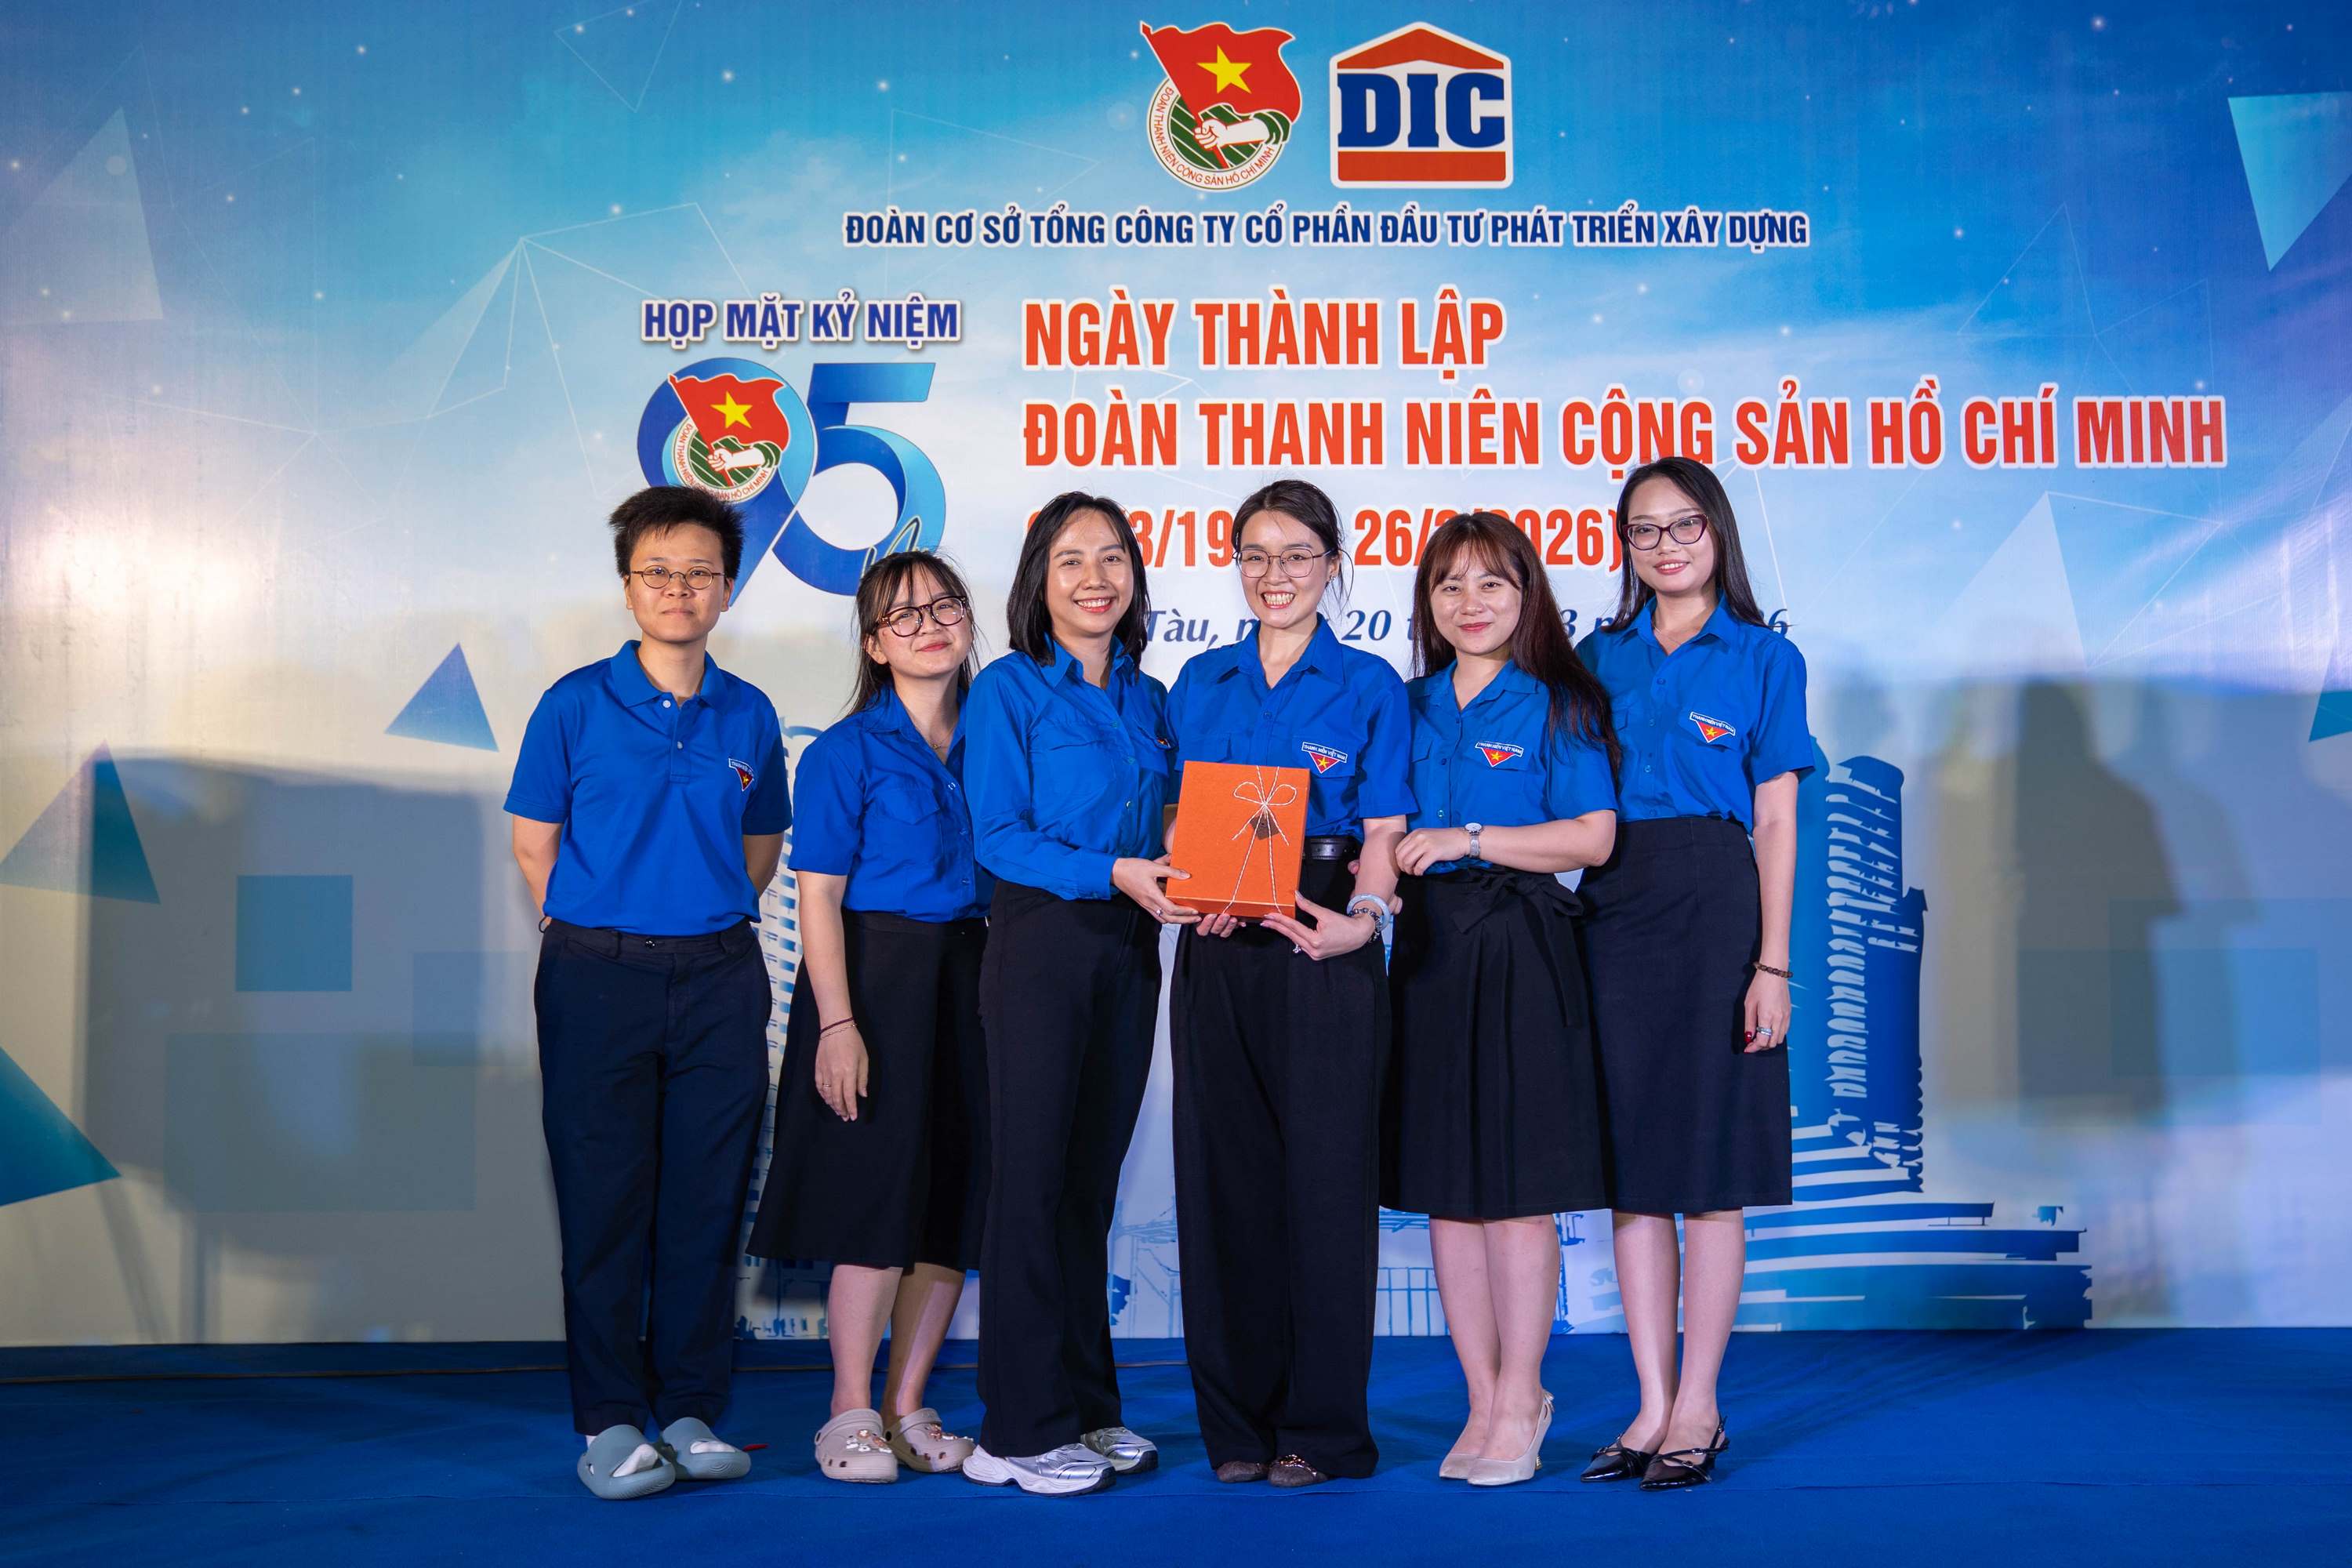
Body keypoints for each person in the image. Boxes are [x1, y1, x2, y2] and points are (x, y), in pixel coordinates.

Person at [505, 485, 790, 1501]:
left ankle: (690, 1410)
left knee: (706, 1204)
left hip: (719, 976)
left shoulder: (750, 711)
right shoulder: (574, 704)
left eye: (699, 572)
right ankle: (611, 1419)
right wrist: (608, 926)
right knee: (604, 1203)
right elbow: (535, 846)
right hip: (597, 976)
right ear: (628, 587)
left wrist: (692, 917)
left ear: (727, 589)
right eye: (658, 572)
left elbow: (759, 848)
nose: (679, 589)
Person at [1162, 478, 1412, 1489]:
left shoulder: (1369, 683)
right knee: (1223, 1180)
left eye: (1299, 554)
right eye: (1257, 555)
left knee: (1326, 1185)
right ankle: (1236, 1425)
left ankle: (1323, 1430)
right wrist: (1197, 884)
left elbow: (1385, 829)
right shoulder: (1199, 679)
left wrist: (1365, 920)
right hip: (1219, 935)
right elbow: (1178, 815)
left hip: (1324, 931)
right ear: (1236, 565)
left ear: (1332, 565)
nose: (1277, 574)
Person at [1573, 456, 1810, 1490]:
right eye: (1644, 529)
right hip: (1612, 910)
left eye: (1684, 525)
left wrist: (1773, 963)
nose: (1664, 545)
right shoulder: (1597, 656)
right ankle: (1651, 1401)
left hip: (1719, 910)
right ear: (1624, 545)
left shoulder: (1764, 656)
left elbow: (1776, 819)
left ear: (1718, 532)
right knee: (1634, 1173)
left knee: (1710, 1171)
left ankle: (1701, 1405)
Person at [1386, 511, 1620, 1487]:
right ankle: (1480, 1398)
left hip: (1523, 942)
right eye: (1449, 584)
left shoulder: (1561, 700)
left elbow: (1594, 836)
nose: (1469, 602)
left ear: (1527, 595)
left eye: (1491, 582)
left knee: (1518, 1193)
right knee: (1448, 1194)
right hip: (1428, 951)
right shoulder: (1403, 702)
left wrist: (1471, 837)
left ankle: (1524, 1394)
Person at [957, 491, 1185, 1496]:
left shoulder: (1150, 695)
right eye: (1071, 560)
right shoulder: (1008, 689)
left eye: (1113, 557)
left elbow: (1172, 820)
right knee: (1031, 1183)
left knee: (1089, 1186)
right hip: (1043, 942)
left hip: (1130, 946)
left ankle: (1087, 1404)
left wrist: (1194, 861)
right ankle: (1016, 1427)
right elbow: (998, 837)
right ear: (1038, 582)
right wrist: (1114, 871)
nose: (1096, 578)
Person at [748, 551, 990, 1485]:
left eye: (944, 606)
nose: (929, 625)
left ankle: (908, 1405)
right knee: (875, 1198)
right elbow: (816, 897)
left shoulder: (998, 737)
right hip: (876, 981)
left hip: (977, 976)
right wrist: (837, 1024)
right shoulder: (844, 750)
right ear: (874, 644)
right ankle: (849, 1408)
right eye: (903, 615)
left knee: (951, 1200)